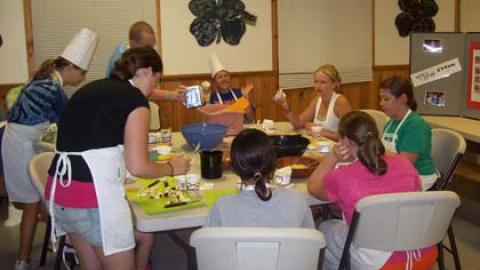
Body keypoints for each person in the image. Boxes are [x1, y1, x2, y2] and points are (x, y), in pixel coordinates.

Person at [45, 47, 191, 270]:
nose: (154, 88)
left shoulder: (94, 88)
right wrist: (172, 168)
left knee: (90, 266)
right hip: (92, 196)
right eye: (157, 80)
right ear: (146, 71)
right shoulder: (135, 101)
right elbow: (138, 166)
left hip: (61, 191)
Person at [2, 28, 98, 270]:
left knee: (41, 202)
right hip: (19, 144)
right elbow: (69, 122)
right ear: (71, 68)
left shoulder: (46, 79)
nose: (83, 78)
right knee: (36, 202)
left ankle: (61, 245)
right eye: (82, 73)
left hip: (18, 140)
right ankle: (27, 260)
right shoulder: (53, 89)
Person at [307, 111, 437, 270]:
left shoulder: (344, 176)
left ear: (345, 142)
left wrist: (333, 156)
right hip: (423, 250)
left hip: (381, 262)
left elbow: (313, 186)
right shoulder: (405, 164)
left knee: (325, 229)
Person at [205, 129, 314, 227]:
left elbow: (207, 246)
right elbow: (311, 243)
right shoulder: (297, 200)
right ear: (274, 164)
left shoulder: (222, 208)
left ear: (234, 168)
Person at [379, 76, 437, 190]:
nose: (380, 103)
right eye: (380, 99)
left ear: (403, 99)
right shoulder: (390, 123)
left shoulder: (416, 126)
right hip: (398, 174)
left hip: (419, 178)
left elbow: (405, 164)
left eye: (386, 99)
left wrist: (377, 151)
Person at [105, 21, 185, 103]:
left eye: (152, 46)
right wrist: (172, 95)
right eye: (147, 46)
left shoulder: (136, 56)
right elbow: (142, 91)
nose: (150, 51)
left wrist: (173, 95)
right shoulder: (123, 59)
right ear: (132, 43)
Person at [275, 64, 352, 141]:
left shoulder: (341, 102)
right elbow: (297, 124)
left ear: (334, 84)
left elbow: (350, 136)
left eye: (322, 82)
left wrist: (321, 131)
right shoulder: (317, 100)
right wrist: (285, 106)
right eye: (316, 82)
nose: (318, 86)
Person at [206, 53, 256, 123]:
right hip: (221, 132)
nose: (224, 79)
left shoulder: (240, 92)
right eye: (220, 77)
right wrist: (206, 102)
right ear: (215, 82)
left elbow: (250, 119)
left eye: (226, 76)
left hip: (240, 130)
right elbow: (208, 122)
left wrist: (246, 98)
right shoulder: (211, 97)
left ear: (230, 78)